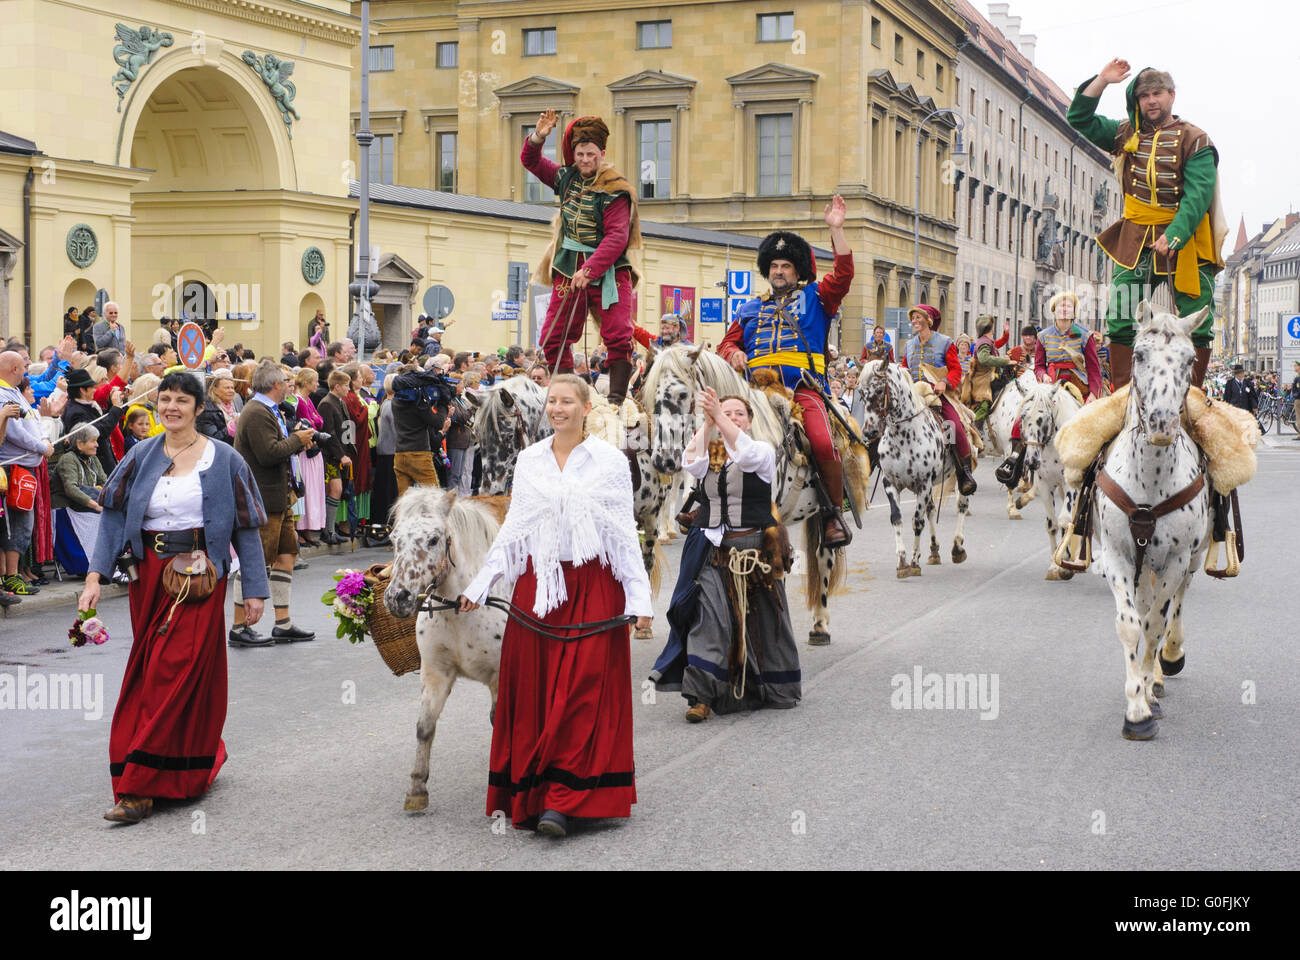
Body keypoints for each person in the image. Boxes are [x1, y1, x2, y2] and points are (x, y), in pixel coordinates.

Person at [459, 374, 651, 837]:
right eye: (552, 401)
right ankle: (538, 793)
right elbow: (515, 530)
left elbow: (623, 533)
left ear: (586, 408)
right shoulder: (529, 461)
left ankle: (565, 800)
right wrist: (480, 584)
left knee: (583, 691)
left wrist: (638, 598)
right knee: (537, 694)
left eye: (567, 401)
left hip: (594, 585)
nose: (557, 408)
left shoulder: (608, 462)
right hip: (539, 586)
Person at [80, 371, 270, 824]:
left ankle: (139, 787)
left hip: (200, 579)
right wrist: (93, 577)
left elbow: (246, 528)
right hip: (148, 578)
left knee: (174, 670)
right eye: (164, 399)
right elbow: (112, 517)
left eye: (181, 400)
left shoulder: (224, 460)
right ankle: (182, 765)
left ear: (198, 408)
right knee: (150, 674)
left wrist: (254, 590)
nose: (170, 407)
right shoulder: (140, 454)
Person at [1069, 61, 1225, 390]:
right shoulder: (1126, 133)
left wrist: (1176, 234)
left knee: (1198, 319)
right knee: (1120, 314)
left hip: (1185, 241)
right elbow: (1079, 118)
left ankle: (1192, 394)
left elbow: (1198, 196)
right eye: (1144, 96)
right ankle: (1124, 391)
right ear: (1137, 101)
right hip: (1135, 239)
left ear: (1171, 96)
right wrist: (1102, 80)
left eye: (1157, 93)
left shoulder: (1196, 140)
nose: (1151, 100)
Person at [718, 196, 857, 547]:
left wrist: (836, 230)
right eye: (774, 266)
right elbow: (725, 344)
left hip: (802, 389)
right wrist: (734, 353)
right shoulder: (749, 308)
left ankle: (832, 514)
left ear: (797, 271)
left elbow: (843, 275)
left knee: (823, 441)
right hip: (754, 393)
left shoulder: (817, 298)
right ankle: (700, 501)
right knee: (713, 432)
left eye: (786, 266)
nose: (779, 271)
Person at [669, 388, 799, 721]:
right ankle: (700, 696)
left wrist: (720, 417)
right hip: (715, 550)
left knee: (766, 624)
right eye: (727, 412)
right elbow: (688, 460)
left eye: (739, 413)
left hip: (756, 552)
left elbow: (746, 456)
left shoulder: (762, 450)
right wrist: (708, 421)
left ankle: (770, 685)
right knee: (708, 618)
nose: (733, 417)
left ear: (750, 420)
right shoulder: (711, 454)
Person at [523, 109, 644, 407]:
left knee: (617, 335)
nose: (585, 160)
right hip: (567, 267)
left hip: (609, 271)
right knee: (553, 336)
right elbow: (531, 161)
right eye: (580, 154)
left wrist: (590, 271)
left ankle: (616, 400)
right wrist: (539, 136)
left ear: (601, 153)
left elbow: (617, 237)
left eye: (591, 154)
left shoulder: (616, 190)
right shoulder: (565, 178)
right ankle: (569, 394)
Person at [229, 360, 317, 647]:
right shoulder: (256, 412)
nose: (290, 385)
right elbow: (269, 454)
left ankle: (283, 622)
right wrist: (296, 439)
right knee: (255, 562)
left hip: (279, 496)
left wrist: (296, 442)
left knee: (287, 554)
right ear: (276, 384)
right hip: (262, 497)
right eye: (286, 381)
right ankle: (238, 626)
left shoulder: (267, 409)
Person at [898, 304, 978, 496]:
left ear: (928, 320)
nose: (914, 321)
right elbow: (904, 369)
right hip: (914, 396)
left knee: (954, 425)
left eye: (918, 317)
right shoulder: (909, 345)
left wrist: (944, 381)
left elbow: (956, 370)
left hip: (938, 395)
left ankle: (963, 472)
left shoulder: (945, 342)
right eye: (913, 318)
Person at [0, 353, 55, 597]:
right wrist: (42, 447)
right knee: (17, 525)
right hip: (14, 470)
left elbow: (27, 424)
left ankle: (11, 575)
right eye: (23, 366)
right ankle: (10, 576)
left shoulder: (11, 392)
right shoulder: (3, 395)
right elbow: (14, 433)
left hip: (24, 469)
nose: (26, 371)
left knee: (22, 524)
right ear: (13, 368)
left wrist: (43, 437)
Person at [50, 423, 108, 576]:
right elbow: (71, 489)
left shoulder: (93, 459)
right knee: (100, 516)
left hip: (84, 507)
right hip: (66, 509)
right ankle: (88, 566)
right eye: (93, 441)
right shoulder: (68, 459)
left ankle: (107, 563)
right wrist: (96, 505)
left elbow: (105, 482)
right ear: (80, 444)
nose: (97, 444)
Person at [390, 365, 452, 497]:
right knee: (434, 497)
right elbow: (437, 422)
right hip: (419, 454)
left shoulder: (396, 400)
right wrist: (443, 403)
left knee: (404, 499)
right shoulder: (418, 403)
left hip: (400, 454)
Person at [289, 367, 327, 546]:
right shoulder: (298, 401)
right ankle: (302, 527)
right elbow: (311, 423)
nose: (317, 385)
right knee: (307, 489)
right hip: (305, 451)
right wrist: (314, 424)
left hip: (314, 450)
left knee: (314, 490)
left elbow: (318, 420)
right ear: (306, 382)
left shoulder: (308, 400)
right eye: (314, 381)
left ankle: (309, 528)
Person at [316, 369, 354, 545]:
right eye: (346, 385)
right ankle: (328, 530)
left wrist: (350, 450)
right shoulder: (326, 404)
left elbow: (346, 426)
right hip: (330, 455)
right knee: (335, 490)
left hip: (341, 453)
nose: (349, 388)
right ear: (336, 386)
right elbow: (328, 432)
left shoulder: (341, 402)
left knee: (337, 491)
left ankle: (330, 529)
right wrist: (340, 455)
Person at [961, 315, 1015, 421]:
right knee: (984, 405)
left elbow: (1002, 341)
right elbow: (984, 359)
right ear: (989, 328)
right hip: (982, 382)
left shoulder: (987, 341)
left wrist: (1006, 333)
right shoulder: (984, 342)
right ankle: (975, 429)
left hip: (987, 379)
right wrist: (1005, 361)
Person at [197, 369, 239, 444]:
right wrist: (232, 427)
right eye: (226, 388)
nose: (231, 391)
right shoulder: (207, 410)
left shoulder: (234, 405)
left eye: (232, 388)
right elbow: (213, 438)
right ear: (215, 390)